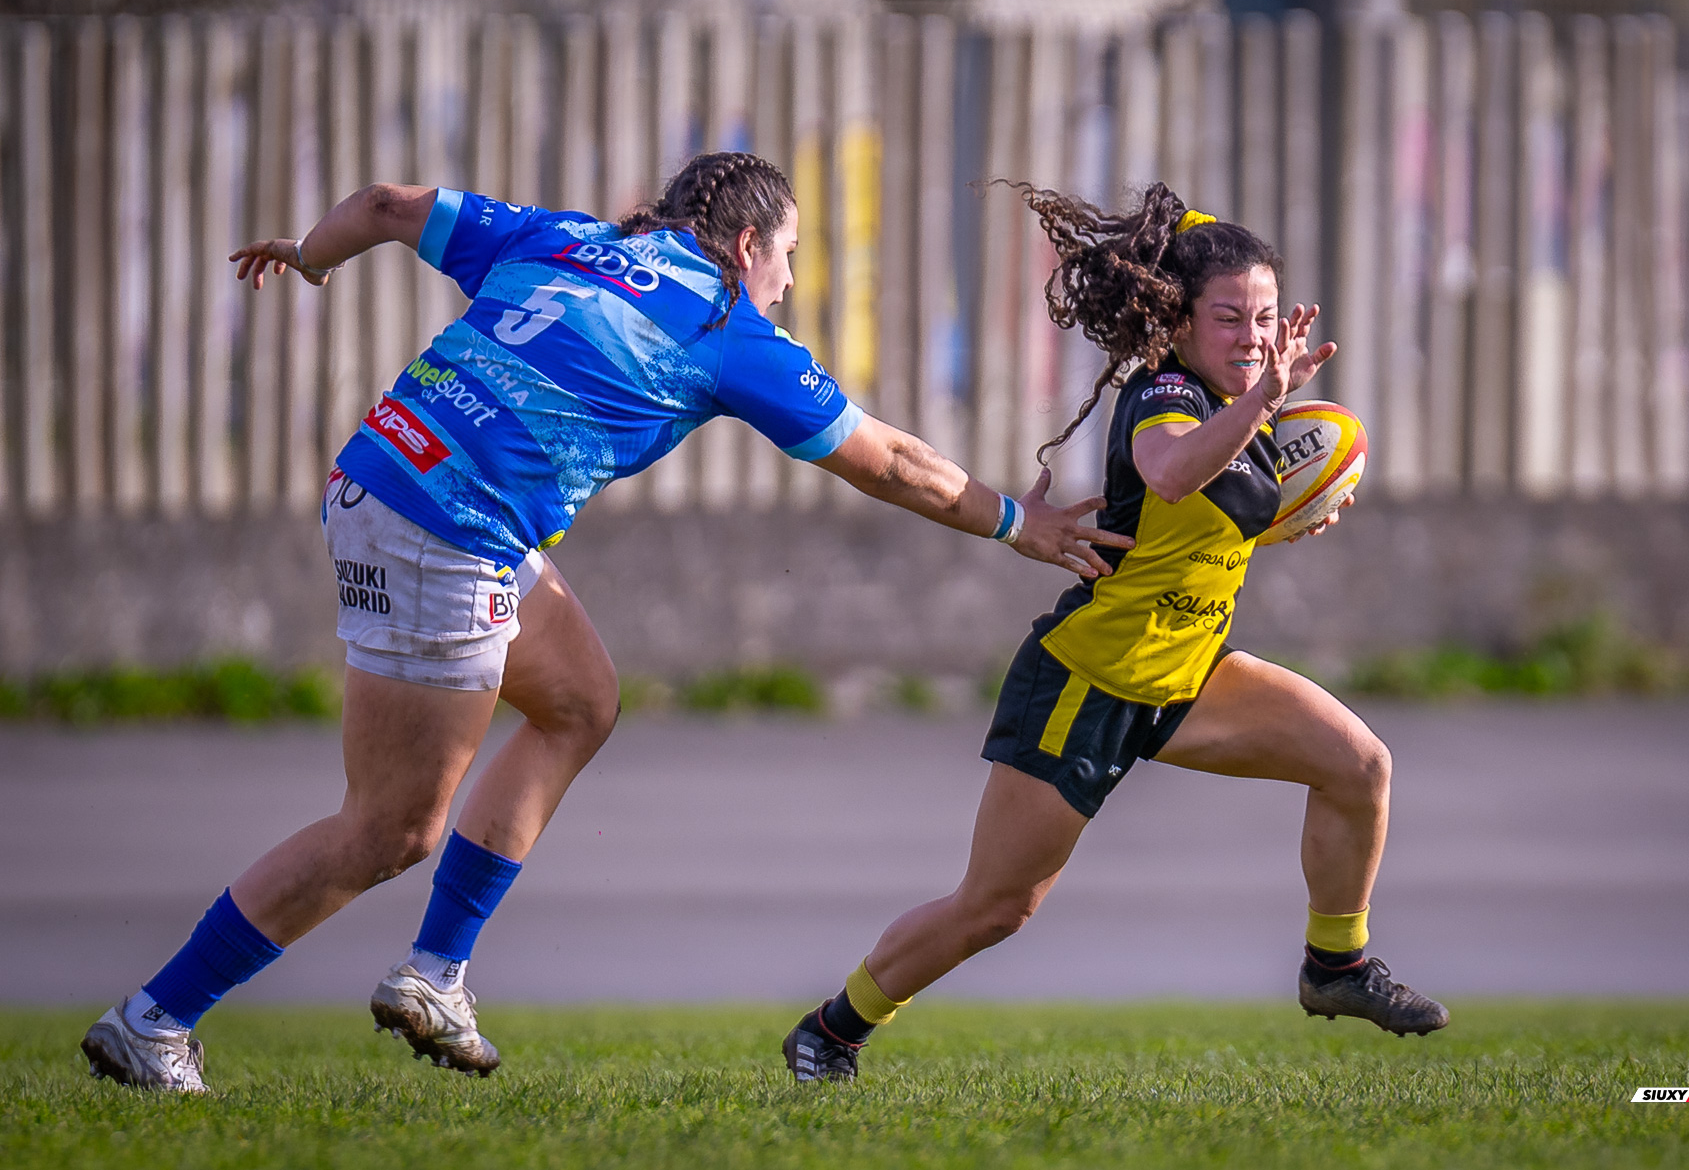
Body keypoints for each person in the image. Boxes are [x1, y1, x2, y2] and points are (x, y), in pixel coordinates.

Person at [79, 152, 1128, 1093]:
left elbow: (392, 204)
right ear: (750, 243)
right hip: (442, 529)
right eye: (793, 255)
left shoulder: (570, 239)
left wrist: (311, 254)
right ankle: (154, 1020)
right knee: (391, 827)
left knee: (580, 700)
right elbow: (891, 460)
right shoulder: (726, 328)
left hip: (393, 476)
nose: (793, 282)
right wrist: (1014, 523)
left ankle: (437, 974)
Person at [782, 184, 1448, 1083]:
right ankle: (832, 1028)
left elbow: (1214, 516)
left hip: (1189, 676)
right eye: (1228, 317)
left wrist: (1293, 504)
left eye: (1264, 316)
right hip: (1087, 685)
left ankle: (1336, 965)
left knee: (1359, 764)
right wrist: (1265, 403)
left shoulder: (1245, 404)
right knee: (996, 907)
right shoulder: (1166, 395)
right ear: (1176, 322)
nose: (1253, 336)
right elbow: (1171, 473)